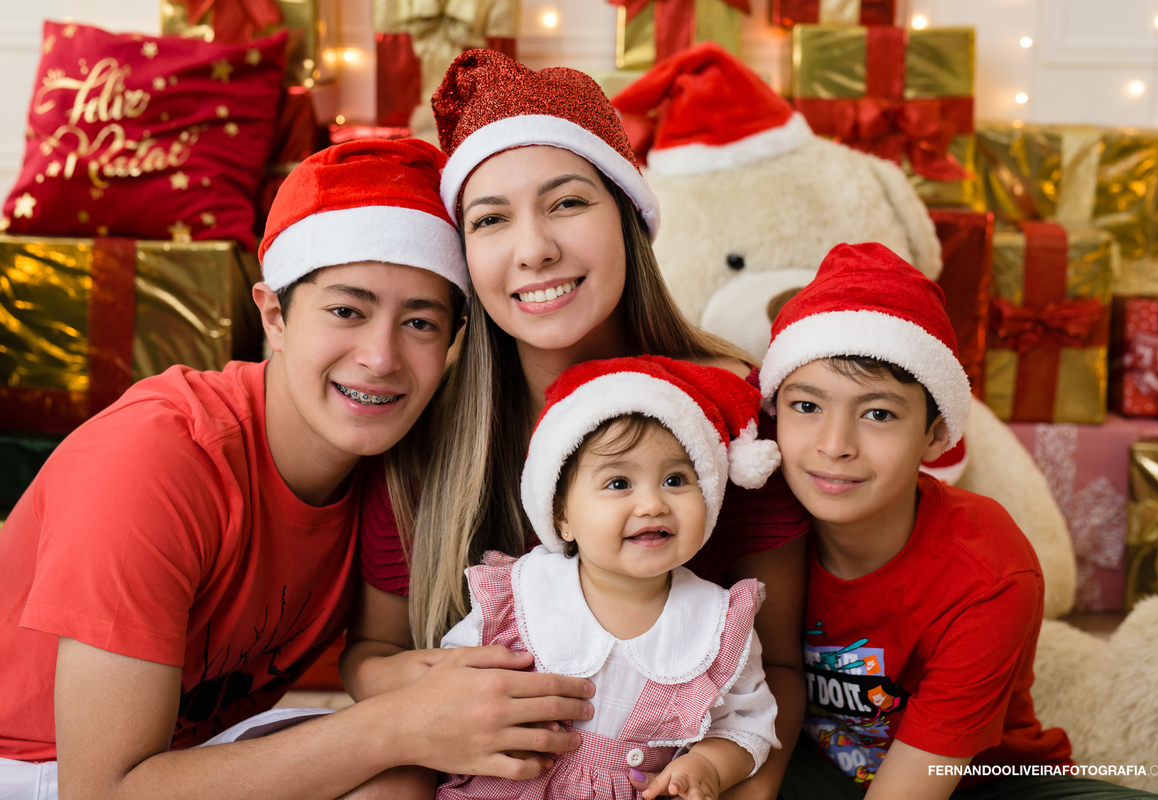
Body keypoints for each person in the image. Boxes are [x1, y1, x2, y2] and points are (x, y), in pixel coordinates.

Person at [0, 139, 595, 800]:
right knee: (391, 761)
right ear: (275, 316)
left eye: (420, 323)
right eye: (347, 311)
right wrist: (394, 725)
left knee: (396, 782)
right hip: (37, 764)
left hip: (190, 751)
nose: (379, 357)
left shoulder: (397, 468)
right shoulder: (152, 461)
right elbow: (102, 790)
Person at [341, 49, 810, 800]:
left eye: (566, 203)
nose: (534, 249)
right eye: (490, 219)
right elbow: (371, 652)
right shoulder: (429, 436)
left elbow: (778, 670)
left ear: (627, 219)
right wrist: (433, 687)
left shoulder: (731, 417)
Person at [759, 242, 1158, 800]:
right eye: (806, 407)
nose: (834, 447)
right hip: (815, 769)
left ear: (935, 435)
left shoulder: (986, 569)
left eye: (878, 414)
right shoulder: (755, 523)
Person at [438, 356, 783, 800]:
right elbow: (453, 685)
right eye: (619, 483)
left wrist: (707, 767)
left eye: (676, 479)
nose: (652, 505)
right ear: (561, 517)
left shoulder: (717, 625)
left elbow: (747, 725)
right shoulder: (522, 596)